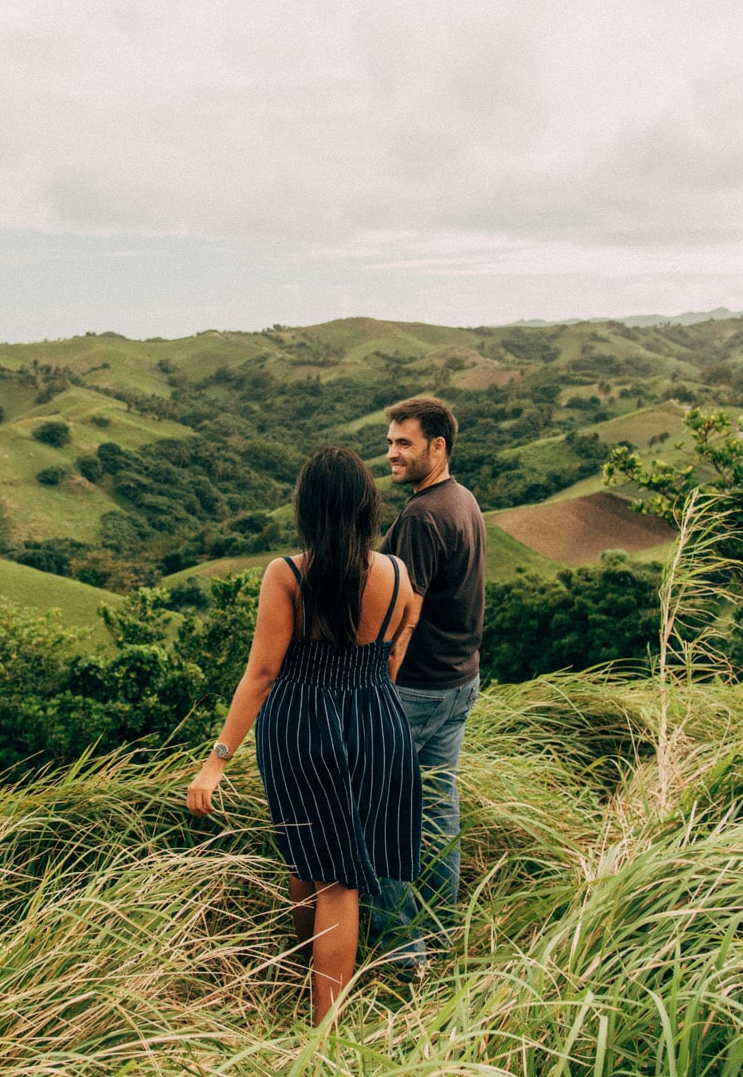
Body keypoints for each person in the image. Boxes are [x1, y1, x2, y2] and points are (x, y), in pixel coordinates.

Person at [186, 445, 419, 1025]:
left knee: (327, 874)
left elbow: (263, 672)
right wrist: (371, 698)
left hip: (301, 728)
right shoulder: (396, 573)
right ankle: (310, 986)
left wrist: (217, 760)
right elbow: (398, 644)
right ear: (366, 505)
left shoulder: (288, 574)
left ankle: (322, 1034)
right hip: (379, 722)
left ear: (307, 507)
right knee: (324, 863)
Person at [367, 396, 486, 970]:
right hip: (459, 681)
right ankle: (440, 934)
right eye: (390, 442)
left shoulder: (420, 516)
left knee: (371, 814)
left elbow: (401, 616)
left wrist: (377, 687)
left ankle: (404, 953)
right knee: (438, 808)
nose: (391, 453)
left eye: (404, 443)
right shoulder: (462, 499)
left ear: (437, 446)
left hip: (413, 689)